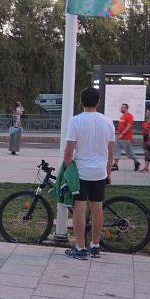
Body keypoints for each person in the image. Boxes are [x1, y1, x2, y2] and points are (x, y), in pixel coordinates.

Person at [63, 87, 115, 260]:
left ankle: (80, 247)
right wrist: (108, 172)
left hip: (81, 172)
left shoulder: (75, 121)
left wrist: (69, 169)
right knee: (97, 208)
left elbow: (69, 151)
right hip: (99, 172)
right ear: (98, 101)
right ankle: (95, 245)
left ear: (81, 101)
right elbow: (111, 151)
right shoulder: (108, 122)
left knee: (79, 208)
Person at [113, 103, 141, 171]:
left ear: (126, 108)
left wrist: (122, 133)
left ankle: (136, 162)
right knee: (116, 149)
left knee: (129, 152)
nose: (121, 109)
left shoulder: (129, 116)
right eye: (121, 107)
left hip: (125, 137)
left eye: (123, 107)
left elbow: (129, 126)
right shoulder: (122, 116)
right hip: (118, 136)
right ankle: (115, 164)